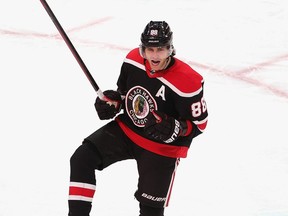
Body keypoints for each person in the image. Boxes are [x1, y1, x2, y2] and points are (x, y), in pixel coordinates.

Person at [68, 20, 208, 216]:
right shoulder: (133, 60)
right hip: (127, 130)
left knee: (150, 210)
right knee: (82, 158)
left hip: (161, 148)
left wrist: (176, 127)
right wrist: (113, 103)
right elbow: (125, 95)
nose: (154, 55)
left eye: (160, 49)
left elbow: (200, 125)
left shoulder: (188, 82)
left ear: (170, 49)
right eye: (149, 49)